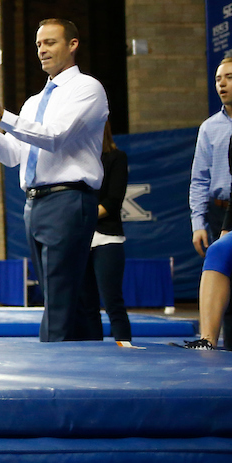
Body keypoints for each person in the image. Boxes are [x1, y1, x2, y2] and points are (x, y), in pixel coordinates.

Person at [0, 18, 108, 342]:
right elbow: (12, 155)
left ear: (72, 44)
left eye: (50, 42)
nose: (42, 50)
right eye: (38, 44)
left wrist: (3, 116)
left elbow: (55, 137)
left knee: (59, 300)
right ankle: (92, 369)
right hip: (35, 203)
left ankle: (52, 372)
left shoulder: (87, 89)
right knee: (64, 296)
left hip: (68, 198)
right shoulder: (34, 102)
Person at [189, 56, 232, 348]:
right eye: (218, 79)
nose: (222, 83)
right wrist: (199, 223)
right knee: (229, 293)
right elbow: (199, 180)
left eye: (230, 77)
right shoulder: (209, 128)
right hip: (222, 212)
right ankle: (222, 350)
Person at [89, 121, 131, 344]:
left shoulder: (116, 158)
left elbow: (113, 201)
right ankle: (91, 352)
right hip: (80, 238)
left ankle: (124, 348)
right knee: (86, 305)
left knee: (112, 301)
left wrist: (83, 217)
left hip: (107, 238)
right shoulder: (79, 163)